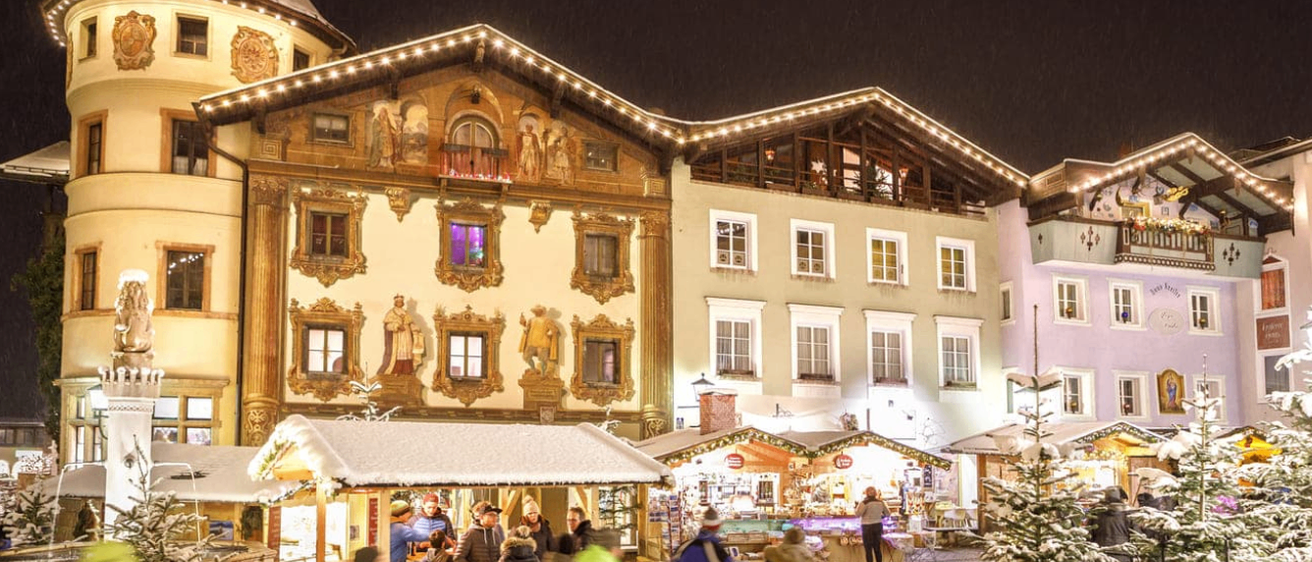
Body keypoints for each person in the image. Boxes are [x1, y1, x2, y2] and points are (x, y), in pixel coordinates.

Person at [378, 294, 424, 375]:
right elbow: (387, 326)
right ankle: (396, 371)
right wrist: (397, 326)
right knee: (398, 353)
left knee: (408, 352)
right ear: (395, 303)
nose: (400, 303)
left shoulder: (406, 313)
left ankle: (407, 371)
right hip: (397, 337)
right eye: (398, 302)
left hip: (407, 336)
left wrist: (415, 328)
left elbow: (410, 324)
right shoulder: (391, 313)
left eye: (401, 302)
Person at [1089, 487, 1132, 562]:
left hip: (1101, 553)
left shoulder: (1096, 512)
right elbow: (1136, 536)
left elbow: (1089, 535)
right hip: (1123, 553)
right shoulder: (1128, 513)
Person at [854, 487, 890, 562]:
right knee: (877, 548)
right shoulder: (881, 502)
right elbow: (888, 513)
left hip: (867, 527)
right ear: (876, 493)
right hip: (878, 526)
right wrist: (880, 516)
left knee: (868, 549)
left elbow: (858, 514)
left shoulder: (864, 503)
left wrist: (856, 508)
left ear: (866, 493)